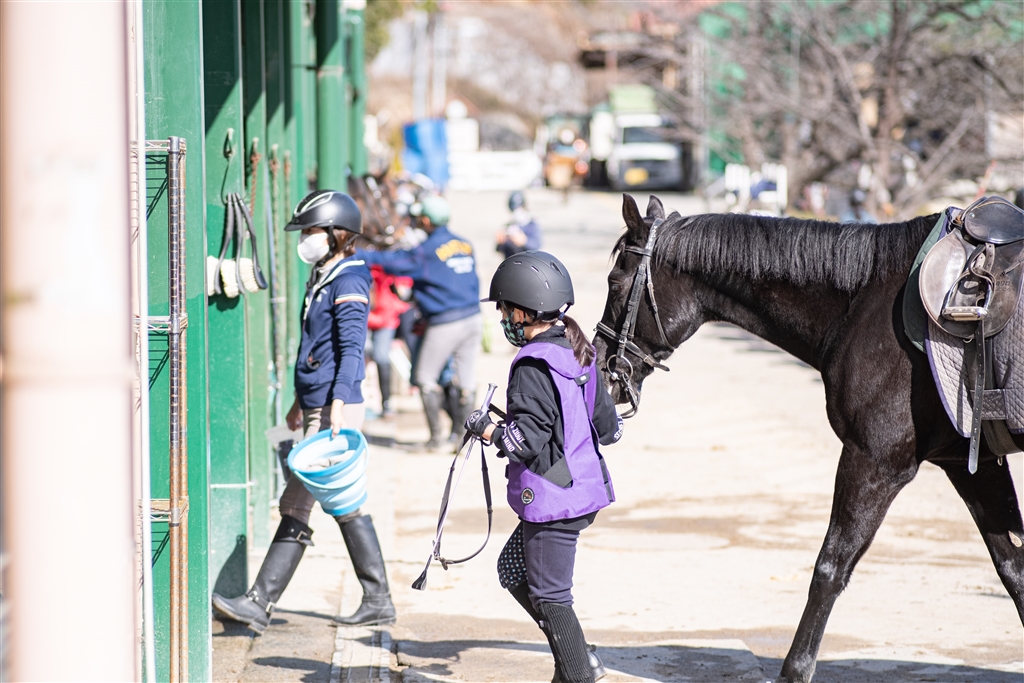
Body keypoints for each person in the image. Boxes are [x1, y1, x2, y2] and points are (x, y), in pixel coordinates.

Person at [212, 189, 396, 633]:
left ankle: (262, 602)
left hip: (335, 409)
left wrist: (337, 405)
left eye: (311, 230)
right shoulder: (324, 274)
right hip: (318, 405)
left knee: (305, 503)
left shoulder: (349, 279)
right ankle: (376, 599)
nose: (305, 239)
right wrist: (300, 403)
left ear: (337, 233)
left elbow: (351, 348)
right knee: (331, 503)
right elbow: (315, 347)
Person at [464, 251, 622, 683]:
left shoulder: (533, 364)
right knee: (512, 569)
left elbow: (525, 441)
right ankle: (575, 655)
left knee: (551, 597)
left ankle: (578, 670)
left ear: (525, 309)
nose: (502, 317)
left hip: (557, 498)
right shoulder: (577, 348)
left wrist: (486, 429)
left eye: (504, 309)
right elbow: (608, 426)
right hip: (583, 488)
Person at [359, 193, 482, 450]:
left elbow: (394, 262)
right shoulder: (465, 244)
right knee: (466, 381)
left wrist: (360, 255)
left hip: (445, 321)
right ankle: (462, 439)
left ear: (426, 220)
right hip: (473, 319)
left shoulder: (427, 250)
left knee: (424, 377)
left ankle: (436, 439)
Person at [367, 264, 411, 417]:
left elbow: (402, 294)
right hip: (365, 319)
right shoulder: (364, 271)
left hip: (385, 320)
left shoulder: (389, 270)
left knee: (381, 357)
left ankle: (386, 403)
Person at [495, 190, 542, 258]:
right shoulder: (508, 226)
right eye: (514, 209)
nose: (517, 212)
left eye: (519, 208)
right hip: (511, 262)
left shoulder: (532, 225)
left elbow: (537, 245)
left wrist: (524, 241)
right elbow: (498, 250)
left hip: (527, 261)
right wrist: (500, 242)